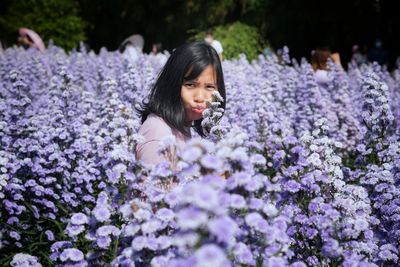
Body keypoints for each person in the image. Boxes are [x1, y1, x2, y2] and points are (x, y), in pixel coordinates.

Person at [136, 42, 226, 166]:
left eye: (209, 87)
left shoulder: (183, 125)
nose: (200, 98)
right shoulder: (158, 136)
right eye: (190, 85)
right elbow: (159, 184)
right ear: (172, 83)